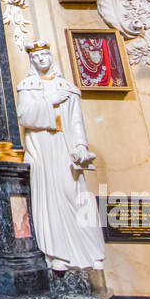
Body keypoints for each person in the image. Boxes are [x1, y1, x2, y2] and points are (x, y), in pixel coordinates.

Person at [16, 42, 105, 272]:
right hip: (42, 148)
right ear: (32, 61)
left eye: (46, 54)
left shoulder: (68, 88)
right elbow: (25, 116)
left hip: (66, 147)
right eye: (37, 56)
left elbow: (77, 122)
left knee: (75, 193)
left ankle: (91, 251)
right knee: (48, 197)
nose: (42, 59)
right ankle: (58, 253)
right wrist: (50, 100)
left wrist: (81, 146)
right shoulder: (27, 86)